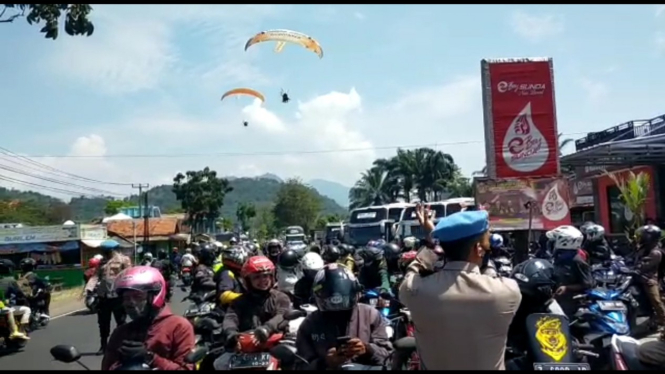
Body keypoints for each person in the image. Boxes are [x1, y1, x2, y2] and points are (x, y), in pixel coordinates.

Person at [399, 207, 521, 370]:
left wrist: (433, 242)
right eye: (487, 241)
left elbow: (414, 269)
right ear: (478, 249)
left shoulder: (415, 289)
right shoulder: (506, 291)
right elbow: (488, 273)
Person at [295, 264, 393, 370]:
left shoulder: (370, 315)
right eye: (330, 304)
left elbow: (388, 356)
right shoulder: (310, 324)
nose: (338, 312)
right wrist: (326, 362)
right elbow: (301, 363)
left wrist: (367, 349)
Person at [102, 266, 195, 370]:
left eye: (137, 296)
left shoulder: (178, 326)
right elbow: (107, 366)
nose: (130, 303)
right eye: (126, 298)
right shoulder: (121, 332)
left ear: (154, 295)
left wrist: (150, 357)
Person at [214, 256, 291, 370]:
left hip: (276, 345)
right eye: (257, 277)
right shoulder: (239, 301)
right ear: (248, 280)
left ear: (272, 276)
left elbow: (283, 314)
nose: (263, 280)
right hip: (245, 347)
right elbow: (231, 318)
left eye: (266, 276)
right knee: (217, 363)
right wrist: (231, 334)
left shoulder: (281, 297)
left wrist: (267, 328)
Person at [86, 244, 132, 355]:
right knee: (103, 323)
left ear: (111, 250)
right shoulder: (102, 262)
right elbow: (96, 276)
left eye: (105, 251)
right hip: (104, 297)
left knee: (121, 322)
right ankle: (103, 346)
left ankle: (122, 345)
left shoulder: (123, 260)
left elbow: (129, 274)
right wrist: (89, 288)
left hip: (118, 296)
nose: (103, 253)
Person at [549, 225, 595, 317]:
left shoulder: (577, 261)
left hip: (570, 302)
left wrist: (567, 288)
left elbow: (588, 284)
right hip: (554, 299)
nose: (551, 243)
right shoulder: (558, 257)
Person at [633, 224, 665, 332]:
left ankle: (663, 319)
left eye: (643, 236)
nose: (640, 237)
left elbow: (643, 267)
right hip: (639, 277)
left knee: (655, 300)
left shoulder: (655, 252)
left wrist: (636, 267)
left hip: (649, 279)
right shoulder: (644, 248)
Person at [0, 259, 30, 340]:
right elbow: (19, 292)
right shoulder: (10, 280)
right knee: (26, 310)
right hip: (3, 306)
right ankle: (20, 330)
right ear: (9, 269)